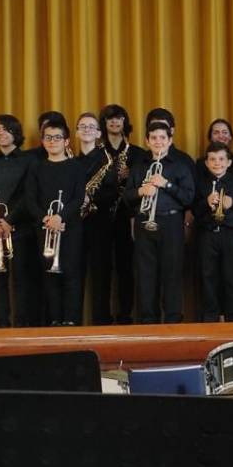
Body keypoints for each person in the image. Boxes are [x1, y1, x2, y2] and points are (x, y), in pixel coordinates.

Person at [130, 112, 195, 324]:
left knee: (172, 274)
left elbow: (188, 196)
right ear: (147, 141)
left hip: (171, 223)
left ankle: (173, 321)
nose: (158, 142)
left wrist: (166, 184)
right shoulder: (140, 166)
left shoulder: (180, 166)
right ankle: (148, 321)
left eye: (162, 138)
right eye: (154, 138)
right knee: (146, 275)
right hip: (144, 224)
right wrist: (141, 192)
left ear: (170, 140)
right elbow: (126, 197)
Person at [0, 113, 40, 327]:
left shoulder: (30, 160)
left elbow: (28, 195)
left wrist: (9, 221)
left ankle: (22, 327)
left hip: (21, 228)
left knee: (22, 280)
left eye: (6, 129)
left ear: (16, 133)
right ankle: (1, 327)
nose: (1, 133)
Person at [25, 120, 87, 325]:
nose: (53, 141)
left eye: (57, 137)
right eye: (48, 138)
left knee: (71, 275)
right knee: (49, 276)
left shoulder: (76, 167)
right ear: (42, 141)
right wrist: (46, 218)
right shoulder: (36, 168)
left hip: (70, 227)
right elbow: (30, 199)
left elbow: (78, 198)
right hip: (45, 228)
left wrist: (60, 217)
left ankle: (71, 321)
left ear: (67, 141)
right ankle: (55, 321)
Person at [98, 103, 147, 323]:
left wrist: (130, 174)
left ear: (125, 122)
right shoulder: (97, 152)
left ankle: (126, 314)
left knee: (127, 268)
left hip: (128, 217)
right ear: (104, 124)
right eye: (110, 119)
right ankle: (102, 316)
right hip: (100, 216)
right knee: (102, 268)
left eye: (119, 118)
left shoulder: (137, 153)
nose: (115, 122)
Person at [194, 142, 233, 322]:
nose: (217, 163)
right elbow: (193, 209)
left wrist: (232, 203)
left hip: (230, 234)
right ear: (206, 163)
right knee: (208, 277)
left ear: (229, 162)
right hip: (207, 234)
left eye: (221, 159)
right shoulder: (201, 183)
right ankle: (211, 317)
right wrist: (206, 202)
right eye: (212, 159)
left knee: (231, 276)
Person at [75, 112, 118, 325]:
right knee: (75, 274)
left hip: (99, 223)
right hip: (75, 224)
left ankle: (101, 321)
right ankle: (73, 321)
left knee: (101, 275)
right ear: (76, 132)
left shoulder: (107, 161)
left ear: (99, 133)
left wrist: (91, 201)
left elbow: (112, 192)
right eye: (82, 126)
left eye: (91, 127)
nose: (86, 130)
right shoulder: (70, 160)